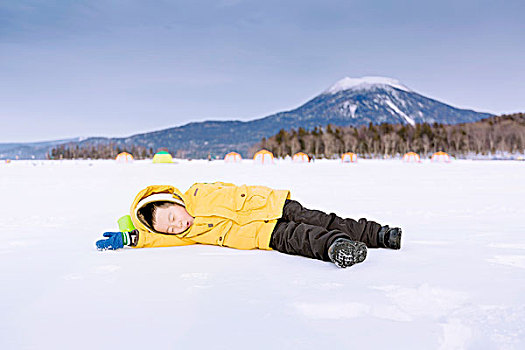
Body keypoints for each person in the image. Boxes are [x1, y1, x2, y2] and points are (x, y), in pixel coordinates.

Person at [96, 182, 402, 268]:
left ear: (174, 201)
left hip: (274, 206)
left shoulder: (198, 191)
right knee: (301, 239)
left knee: (324, 220)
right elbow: (159, 240)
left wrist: (266, 199)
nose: (177, 226)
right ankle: (337, 248)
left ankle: (379, 234)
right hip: (260, 233)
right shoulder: (189, 235)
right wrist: (131, 237)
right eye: (170, 228)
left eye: (173, 218)